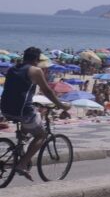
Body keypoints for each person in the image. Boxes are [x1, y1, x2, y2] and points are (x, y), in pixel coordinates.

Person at [0, 47, 71, 181]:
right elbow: (47, 91)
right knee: (41, 134)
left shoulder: (12, 69)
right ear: (36, 60)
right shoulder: (35, 70)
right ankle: (21, 164)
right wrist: (61, 105)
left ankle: (20, 148)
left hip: (6, 109)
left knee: (28, 123)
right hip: (22, 110)